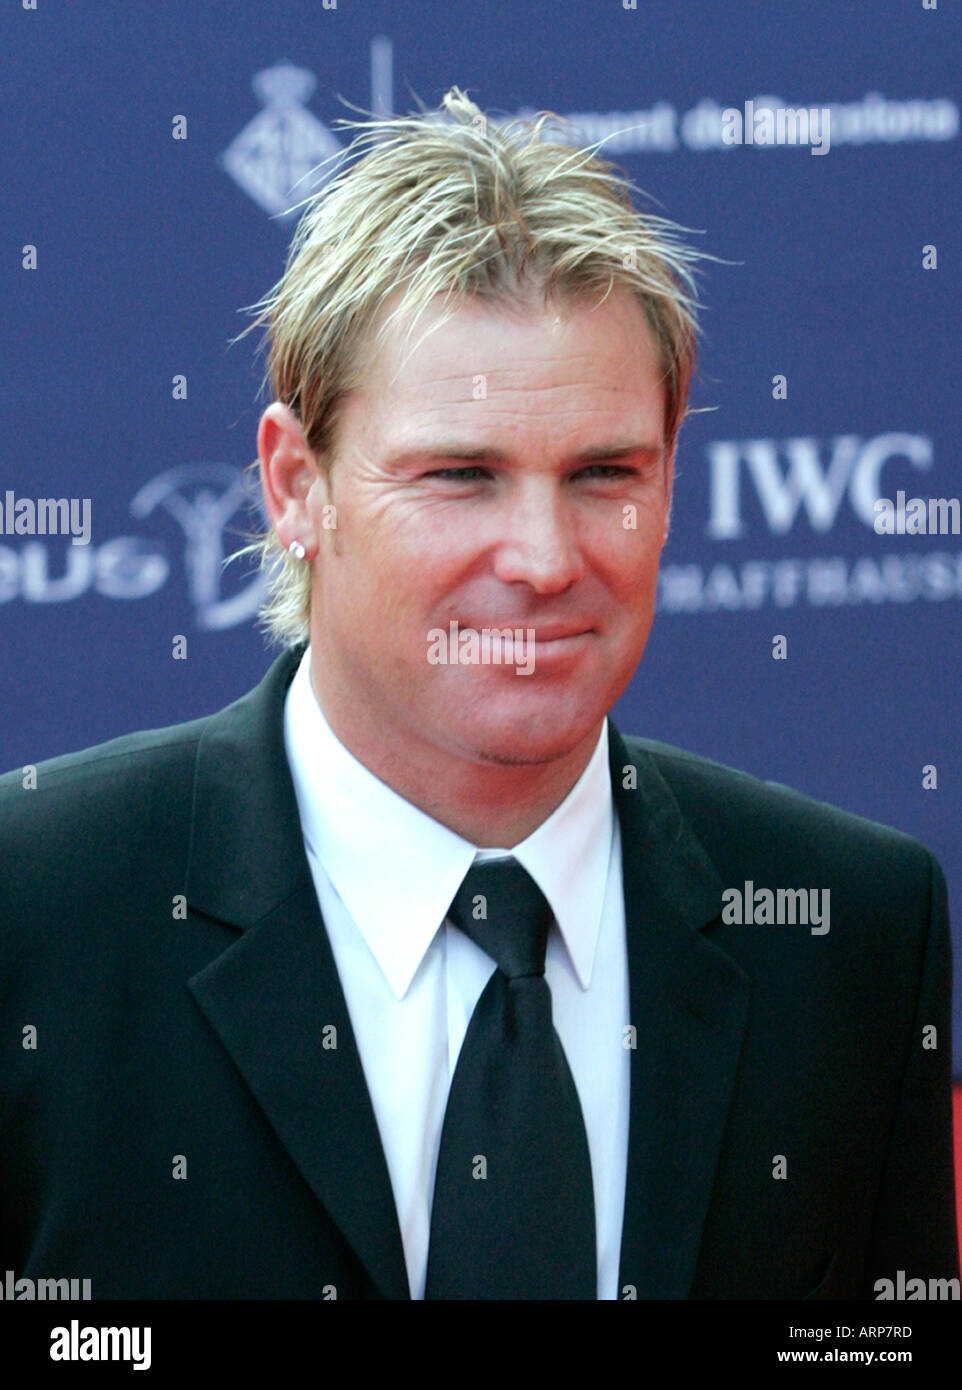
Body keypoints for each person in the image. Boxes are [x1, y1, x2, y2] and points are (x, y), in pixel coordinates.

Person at [0, 88, 956, 1301]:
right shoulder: (34, 915)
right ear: (297, 485)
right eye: (460, 475)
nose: (546, 558)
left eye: (603, 471)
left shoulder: (849, 933)